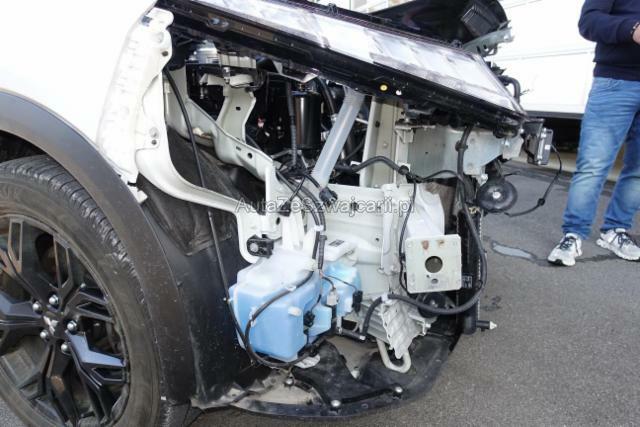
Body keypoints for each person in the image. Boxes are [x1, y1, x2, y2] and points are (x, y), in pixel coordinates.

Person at [548, 0, 640, 266]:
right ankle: (573, 234)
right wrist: (631, 29)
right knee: (593, 165)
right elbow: (588, 22)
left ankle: (615, 230)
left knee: (638, 169)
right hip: (615, 81)